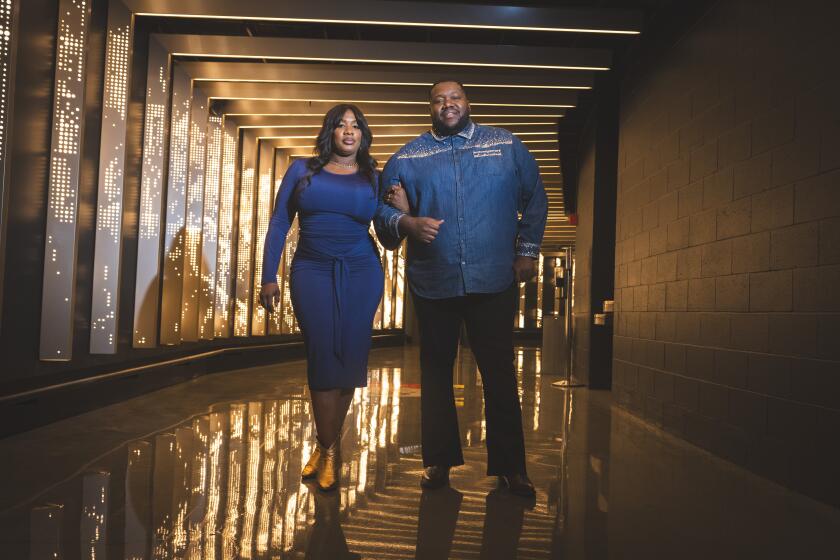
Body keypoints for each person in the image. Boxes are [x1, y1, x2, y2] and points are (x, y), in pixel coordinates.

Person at [375, 80, 547, 498]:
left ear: (468, 103)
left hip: (493, 279)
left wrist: (527, 251)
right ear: (430, 107)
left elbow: (535, 195)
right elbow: (381, 215)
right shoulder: (408, 156)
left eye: (454, 98)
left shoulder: (505, 145)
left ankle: (512, 469)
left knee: (499, 373)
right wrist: (407, 222)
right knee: (435, 371)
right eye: (438, 100)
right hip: (434, 281)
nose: (447, 105)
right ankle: (437, 463)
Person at [260, 104, 390, 492]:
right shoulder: (303, 169)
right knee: (321, 354)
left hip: (362, 271)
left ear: (363, 135)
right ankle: (328, 446)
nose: (349, 132)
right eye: (341, 125)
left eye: (356, 126)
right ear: (329, 132)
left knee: (350, 358)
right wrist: (269, 276)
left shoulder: (374, 177)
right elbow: (280, 222)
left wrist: (402, 210)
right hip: (312, 271)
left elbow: (390, 231)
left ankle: (327, 449)